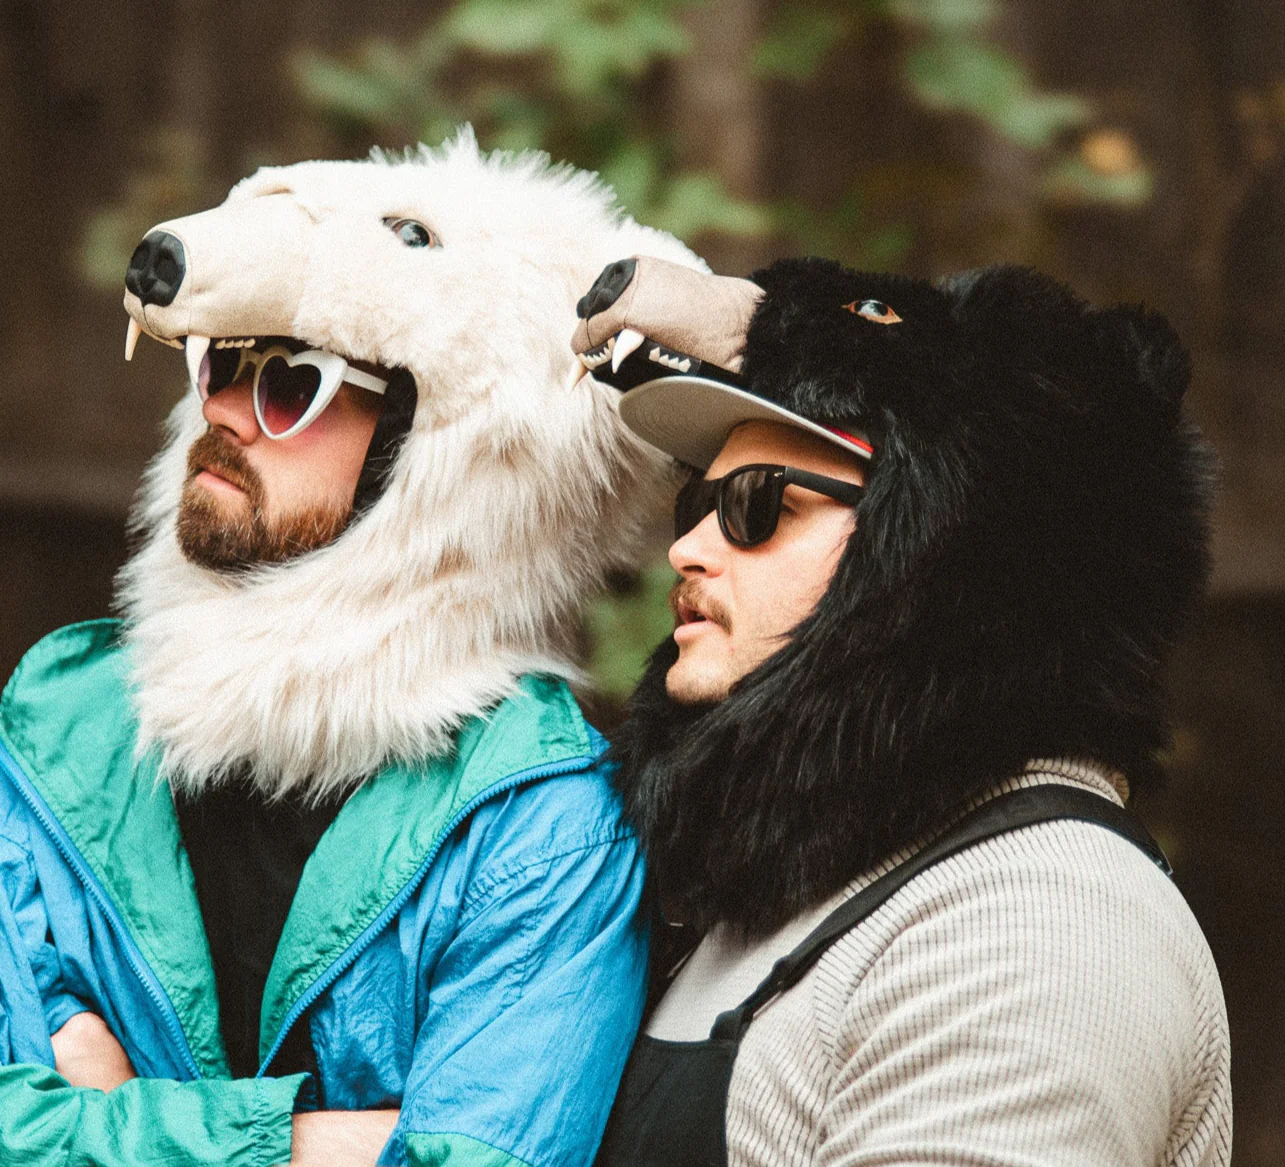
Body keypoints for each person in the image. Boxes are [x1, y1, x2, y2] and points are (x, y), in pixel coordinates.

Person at [0, 140, 704, 1167]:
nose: (228, 416)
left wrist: (104, 1121)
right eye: (223, 364)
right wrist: (310, 1141)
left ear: (445, 464)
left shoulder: (540, 828)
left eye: (294, 382)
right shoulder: (65, 723)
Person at [571, 255, 1232, 1165]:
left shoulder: (1033, 921)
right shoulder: (772, 889)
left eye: (755, 503)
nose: (686, 546)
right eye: (697, 499)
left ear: (938, 556)